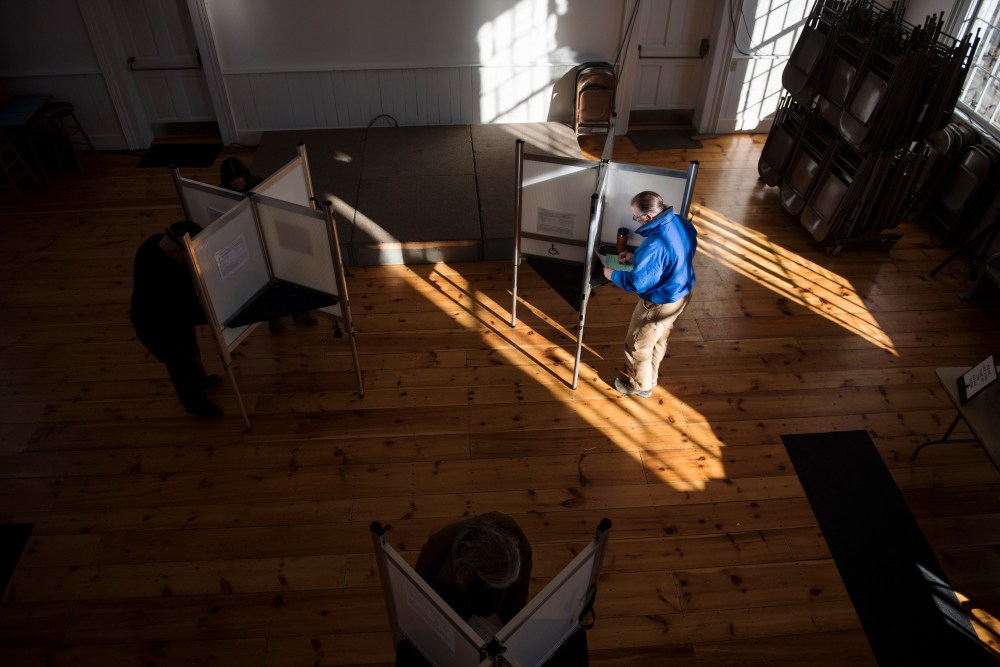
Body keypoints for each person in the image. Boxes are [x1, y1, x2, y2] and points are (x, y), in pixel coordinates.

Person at [603, 191, 697, 398]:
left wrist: (614, 275)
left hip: (659, 303)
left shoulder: (655, 245)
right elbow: (674, 255)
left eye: (636, 216)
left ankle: (640, 386)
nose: (635, 220)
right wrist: (638, 258)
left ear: (649, 217)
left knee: (636, 345)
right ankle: (651, 376)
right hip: (681, 293)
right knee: (659, 337)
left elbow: (638, 282)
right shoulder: (680, 222)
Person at [130, 220, 223, 418]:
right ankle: (194, 402)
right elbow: (188, 312)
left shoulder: (154, 243)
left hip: (174, 321)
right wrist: (219, 311)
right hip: (158, 328)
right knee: (181, 364)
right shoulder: (161, 277)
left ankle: (199, 379)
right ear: (179, 251)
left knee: (191, 352)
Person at [218, 156, 318, 333]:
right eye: (234, 184)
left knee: (292, 274)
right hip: (247, 242)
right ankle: (274, 316)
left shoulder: (260, 184)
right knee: (265, 281)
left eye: (240, 183)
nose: (238, 186)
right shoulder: (222, 194)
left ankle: (301, 310)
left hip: (271, 236)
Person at [415, 512, 532, 630]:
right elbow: (419, 604)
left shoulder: (514, 535)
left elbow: (519, 589)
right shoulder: (434, 557)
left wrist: (513, 627)